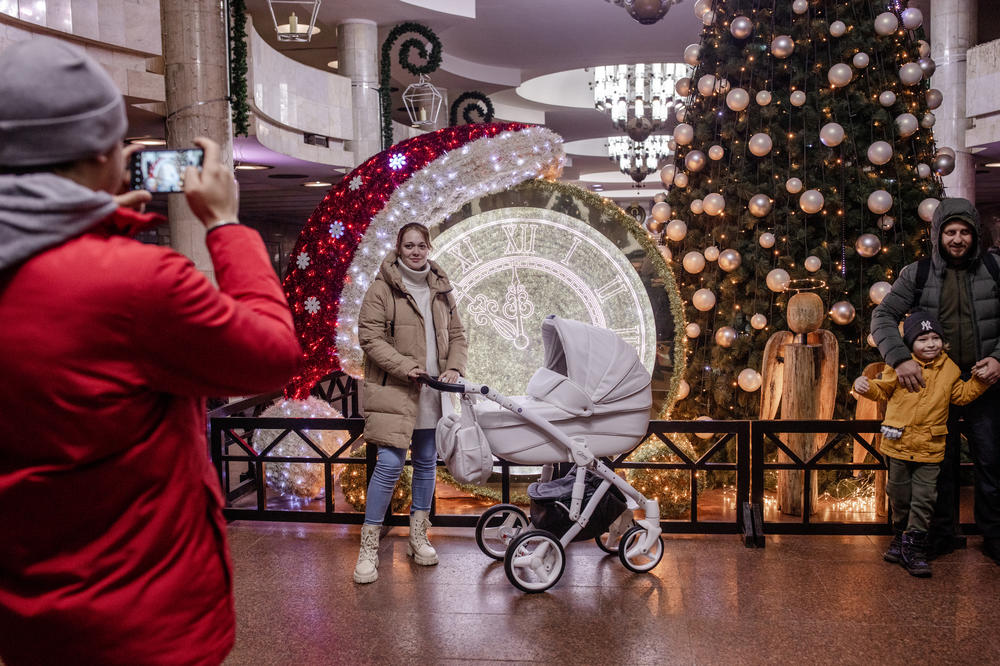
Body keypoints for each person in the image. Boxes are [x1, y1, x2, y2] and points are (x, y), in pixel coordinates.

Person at [0, 39, 302, 665]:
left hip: (27, 618)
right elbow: (272, 353)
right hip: (141, 623)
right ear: (101, 152)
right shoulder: (134, 284)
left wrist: (91, 223)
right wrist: (225, 223)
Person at [871, 197, 1000, 565]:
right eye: (950, 232)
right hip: (930, 390)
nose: (957, 239)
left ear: (975, 234)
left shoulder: (994, 268)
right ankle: (936, 537)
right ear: (937, 235)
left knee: (992, 463)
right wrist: (899, 360)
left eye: (964, 232)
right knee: (937, 467)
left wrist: (998, 359)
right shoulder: (918, 273)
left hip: (985, 384)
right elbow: (883, 317)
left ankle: (994, 537)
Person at [355, 222, 467, 584]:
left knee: (425, 463)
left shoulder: (441, 289)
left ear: (429, 247)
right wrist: (408, 369)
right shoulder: (381, 289)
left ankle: (418, 536)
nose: (415, 251)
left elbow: (458, 335)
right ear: (399, 248)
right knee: (388, 465)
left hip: (433, 391)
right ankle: (368, 546)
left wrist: (453, 367)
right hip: (398, 391)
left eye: (421, 245)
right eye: (409, 245)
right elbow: (370, 338)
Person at [854, 312, 989, 576]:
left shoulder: (949, 368)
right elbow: (882, 390)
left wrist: (980, 382)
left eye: (935, 338)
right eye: (923, 339)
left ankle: (914, 547)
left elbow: (960, 396)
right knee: (900, 496)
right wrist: (865, 386)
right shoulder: (900, 365)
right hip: (898, 444)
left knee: (924, 499)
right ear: (910, 344)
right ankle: (900, 536)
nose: (930, 344)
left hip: (930, 447)